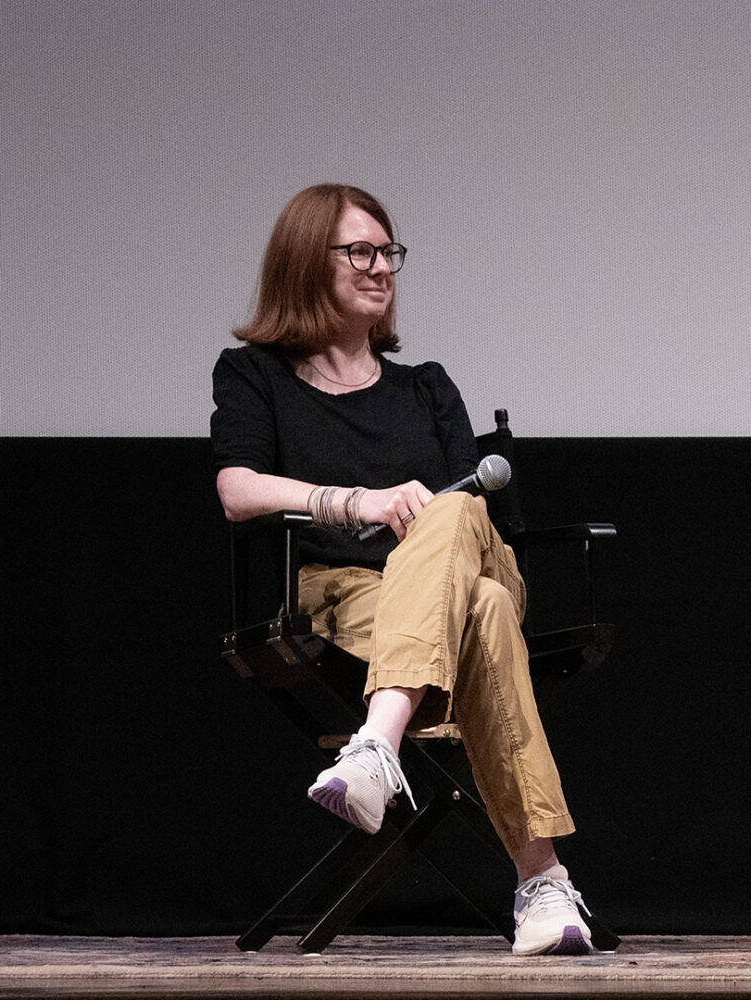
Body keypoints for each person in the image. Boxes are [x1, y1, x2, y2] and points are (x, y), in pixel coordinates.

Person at [211, 184, 598, 956]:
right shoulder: (254, 376)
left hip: (466, 562)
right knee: (483, 612)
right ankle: (543, 883)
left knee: (456, 513)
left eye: (390, 253)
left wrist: (423, 512)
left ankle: (378, 744)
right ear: (303, 261)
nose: (382, 267)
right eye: (361, 251)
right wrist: (357, 501)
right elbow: (237, 490)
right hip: (348, 593)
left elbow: (472, 516)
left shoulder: (426, 385)